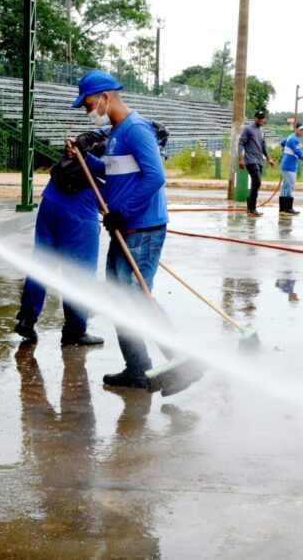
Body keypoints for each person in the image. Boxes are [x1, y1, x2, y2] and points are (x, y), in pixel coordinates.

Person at [70, 70, 168, 389]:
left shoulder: (136, 129)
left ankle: (181, 357)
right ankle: (137, 367)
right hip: (125, 227)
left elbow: (156, 177)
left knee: (136, 298)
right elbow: (114, 171)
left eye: (88, 105)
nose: (88, 112)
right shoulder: (117, 132)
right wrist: (84, 158)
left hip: (141, 227)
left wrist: (123, 212)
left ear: (104, 97)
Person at [13, 130, 106, 347]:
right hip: (79, 211)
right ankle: (75, 331)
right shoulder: (121, 148)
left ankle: (26, 319)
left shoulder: (95, 137)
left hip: (51, 202)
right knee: (79, 272)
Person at [237, 111, 275, 218]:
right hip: (250, 161)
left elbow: (264, 147)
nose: (260, 119)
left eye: (262, 118)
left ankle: (250, 205)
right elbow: (241, 143)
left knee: (256, 184)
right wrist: (241, 159)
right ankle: (251, 208)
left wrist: (269, 159)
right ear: (255, 118)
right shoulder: (248, 129)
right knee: (257, 181)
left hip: (259, 161)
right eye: (259, 117)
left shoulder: (262, 131)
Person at [278, 121, 303, 216]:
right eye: (301, 129)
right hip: (289, 166)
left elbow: (282, 143)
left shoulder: (291, 137)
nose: (302, 131)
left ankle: (283, 209)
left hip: (287, 165)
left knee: (285, 187)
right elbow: (300, 154)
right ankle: (288, 209)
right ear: (295, 129)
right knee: (289, 187)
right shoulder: (294, 139)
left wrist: (284, 151)